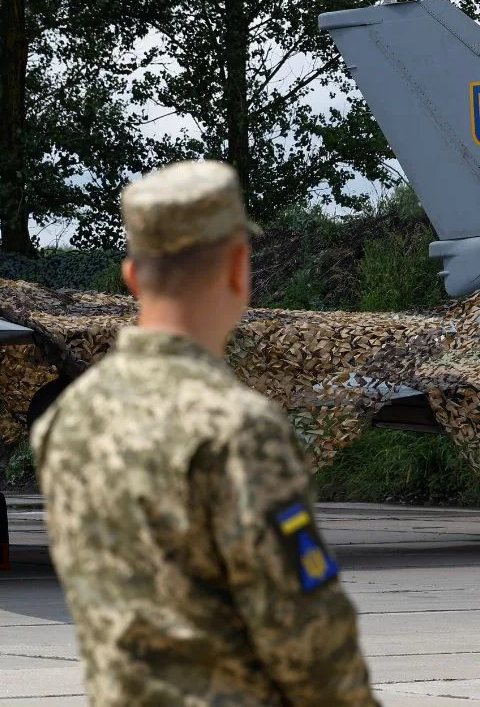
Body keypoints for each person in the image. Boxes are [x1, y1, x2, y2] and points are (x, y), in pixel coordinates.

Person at [30, 160, 379, 707]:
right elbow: (309, 640)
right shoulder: (237, 430)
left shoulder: (66, 421)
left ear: (133, 278)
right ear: (239, 268)